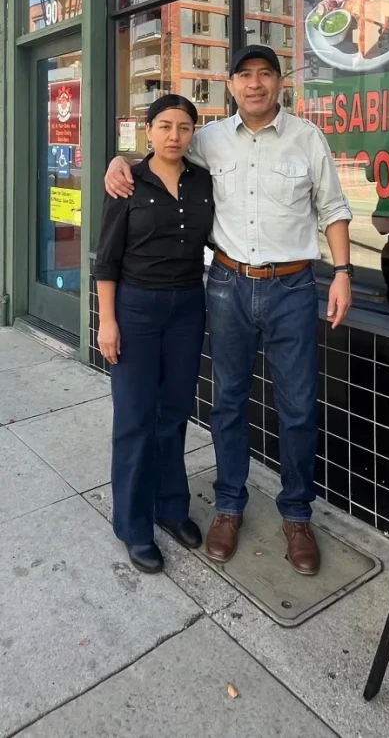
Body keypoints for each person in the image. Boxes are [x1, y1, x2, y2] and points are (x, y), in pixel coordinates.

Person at [104, 45, 353, 577]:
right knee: (227, 402)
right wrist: (117, 162)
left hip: (292, 288)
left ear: (279, 83)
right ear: (230, 84)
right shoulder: (209, 138)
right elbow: (157, 157)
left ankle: (296, 514)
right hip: (226, 285)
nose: (255, 84)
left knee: (298, 406)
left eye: (265, 75)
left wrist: (345, 273)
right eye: (245, 75)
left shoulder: (308, 138)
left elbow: (332, 208)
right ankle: (228, 506)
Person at [94, 94, 214, 574]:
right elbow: (106, 258)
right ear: (148, 131)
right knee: (135, 420)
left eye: (184, 127)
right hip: (136, 308)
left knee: (175, 414)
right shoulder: (127, 181)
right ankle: (133, 524)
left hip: (188, 307)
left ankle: (171, 507)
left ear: (193, 134)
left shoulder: (203, 180)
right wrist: (108, 320)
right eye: (164, 126)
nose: (174, 135)